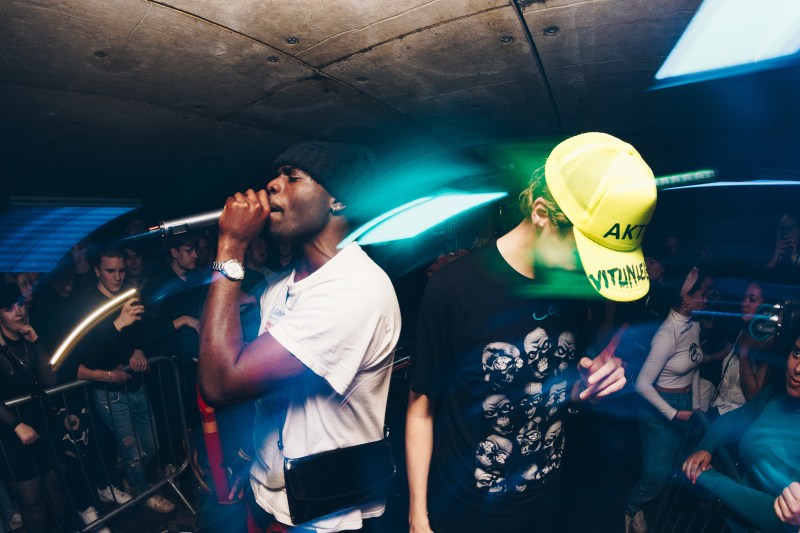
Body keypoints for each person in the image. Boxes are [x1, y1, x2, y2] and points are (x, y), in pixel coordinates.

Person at [406, 132, 656, 533]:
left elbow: (554, 390)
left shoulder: (572, 292)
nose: (586, 270)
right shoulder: (453, 288)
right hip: (466, 513)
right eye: (583, 253)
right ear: (542, 213)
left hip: (547, 503)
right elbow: (421, 408)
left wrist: (587, 387)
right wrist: (418, 515)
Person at [198, 141, 401, 532]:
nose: (273, 185)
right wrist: (252, 460)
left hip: (323, 512)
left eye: (292, 177)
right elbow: (266, 394)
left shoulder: (354, 289)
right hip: (269, 491)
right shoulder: (279, 287)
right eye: (276, 176)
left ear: (337, 201)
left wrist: (231, 245)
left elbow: (220, 383)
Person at [71, 246, 175, 514]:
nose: (117, 277)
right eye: (110, 271)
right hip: (109, 394)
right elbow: (87, 356)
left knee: (151, 444)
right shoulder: (86, 304)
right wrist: (117, 324)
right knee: (132, 452)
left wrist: (138, 350)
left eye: (121, 271)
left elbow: (139, 334)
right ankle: (144, 493)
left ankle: (131, 475)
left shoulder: (128, 294)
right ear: (97, 270)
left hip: (136, 385)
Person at [682, 331, 800, 533]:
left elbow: (783, 518)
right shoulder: (775, 395)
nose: (797, 368)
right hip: (727, 521)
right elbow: (733, 421)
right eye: (797, 353)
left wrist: (712, 479)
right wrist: (706, 447)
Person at [624, 267, 708, 532]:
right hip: (660, 407)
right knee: (655, 476)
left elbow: (694, 365)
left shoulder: (694, 324)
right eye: (703, 293)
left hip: (684, 404)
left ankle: (649, 510)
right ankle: (631, 508)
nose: (707, 298)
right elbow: (642, 384)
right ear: (687, 298)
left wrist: (695, 404)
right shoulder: (666, 334)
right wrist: (673, 413)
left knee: (672, 467)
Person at [0, 283, 68, 533]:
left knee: (56, 487)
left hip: (42, 423)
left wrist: (37, 342)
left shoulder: (30, 339)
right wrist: (16, 424)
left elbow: (50, 380)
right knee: (33, 502)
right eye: (9, 308)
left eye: (20, 304)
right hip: (11, 432)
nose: (18, 312)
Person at [709, 281, 773, 416]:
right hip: (719, 410)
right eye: (744, 298)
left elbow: (753, 397)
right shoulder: (744, 331)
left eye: (752, 300)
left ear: (766, 308)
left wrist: (744, 354)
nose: (744, 303)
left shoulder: (768, 344)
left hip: (737, 420)